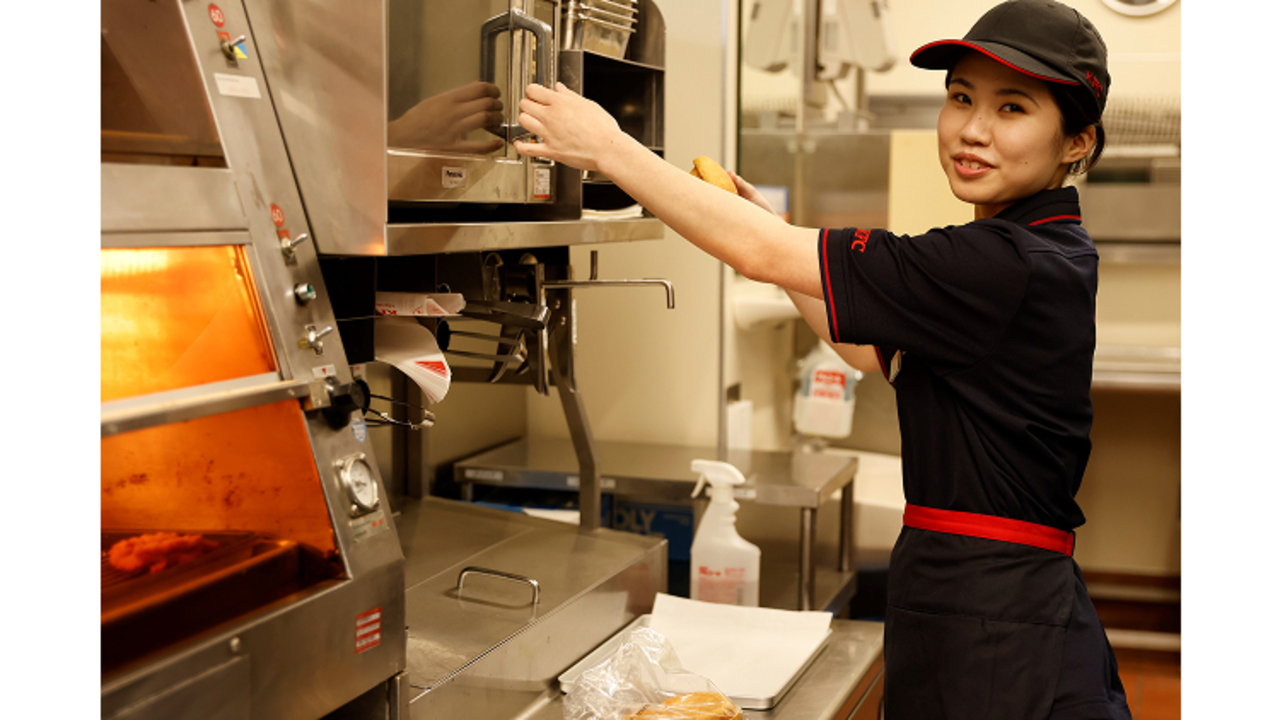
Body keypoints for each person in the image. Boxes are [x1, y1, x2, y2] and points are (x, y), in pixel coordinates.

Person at [514, 1, 1131, 717]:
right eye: (960, 97)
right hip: (981, 587)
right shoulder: (1035, 248)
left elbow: (759, 251)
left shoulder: (1005, 262)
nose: (972, 130)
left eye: (1012, 108)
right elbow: (866, 351)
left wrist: (610, 149)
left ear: (1076, 141)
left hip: (990, 601)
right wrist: (774, 238)